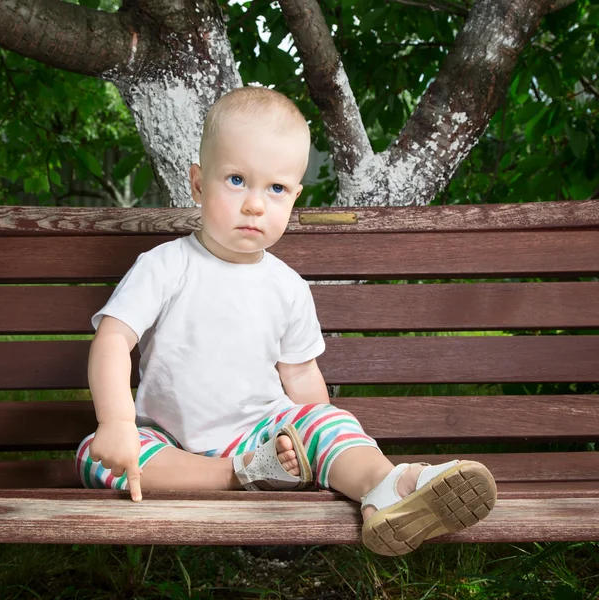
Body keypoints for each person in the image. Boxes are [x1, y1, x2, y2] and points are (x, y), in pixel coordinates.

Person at [76, 86, 497, 556]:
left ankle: (391, 485)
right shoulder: (165, 265)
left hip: (265, 432)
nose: (255, 204)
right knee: (98, 454)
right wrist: (114, 421)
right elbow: (114, 340)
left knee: (329, 424)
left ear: (294, 197)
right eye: (236, 180)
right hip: (171, 439)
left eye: (275, 189)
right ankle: (241, 475)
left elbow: (300, 375)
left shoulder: (287, 286)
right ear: (197, 183)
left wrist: (310, 443)